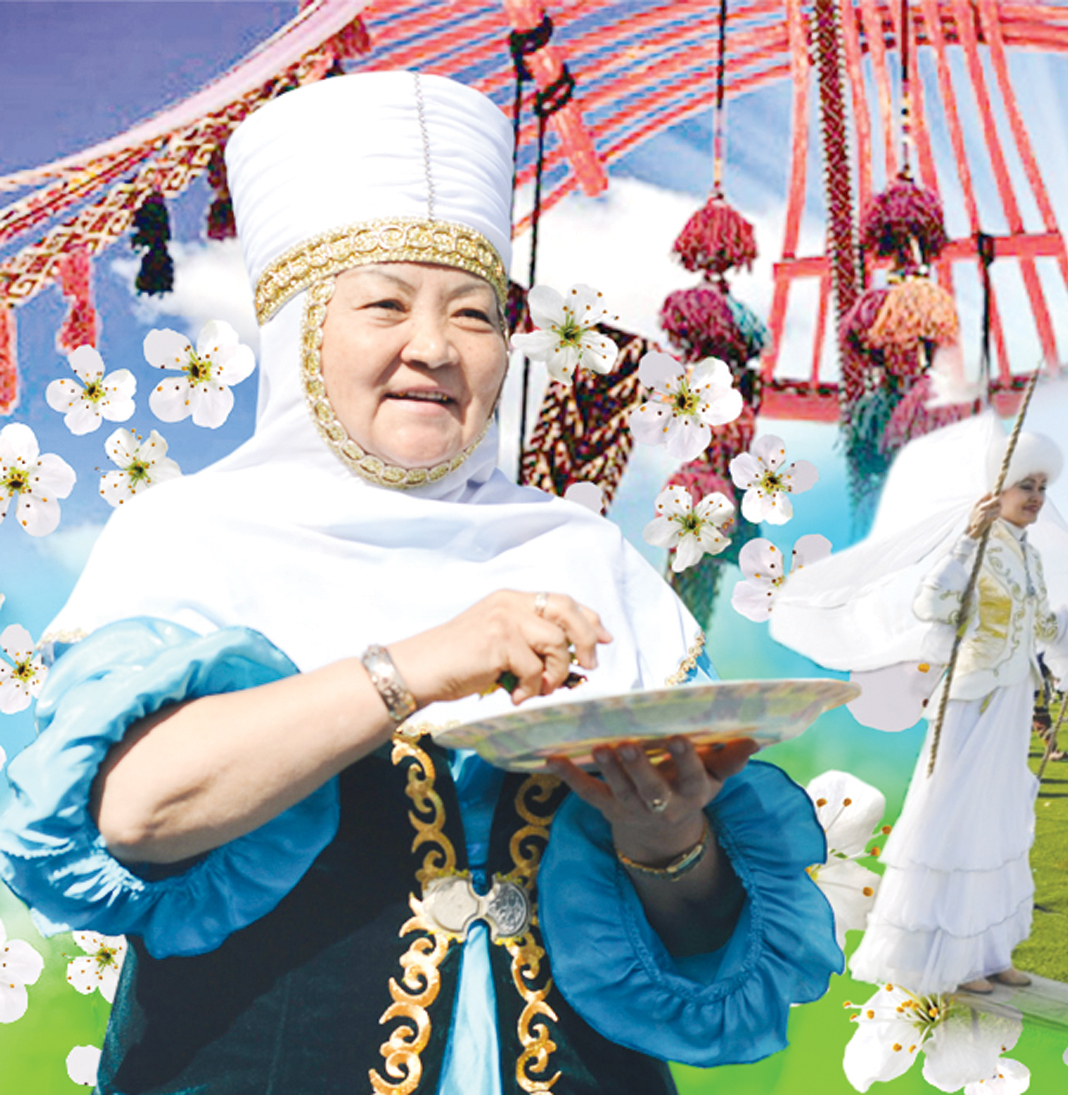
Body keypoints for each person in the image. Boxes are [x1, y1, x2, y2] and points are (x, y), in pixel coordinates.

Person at [0, 74, 841, 1094]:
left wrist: (665, 843)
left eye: (475, 316)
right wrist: (420, 664)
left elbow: (704, 939)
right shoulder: (188, 538)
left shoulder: (586, 558)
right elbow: (132, 812)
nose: (435, 349)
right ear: (299, 331)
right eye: (385, 305)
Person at [772, 420, 1068, 995]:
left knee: (999, 823)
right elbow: (933, 604)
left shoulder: (1028, 560)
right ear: (996, 489)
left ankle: (988, 951)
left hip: (1010, 702)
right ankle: (940, 960)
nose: (1035, 498)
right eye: (1025, 485)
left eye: (1041, 488)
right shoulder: (974, 545)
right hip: (971, 699)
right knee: (953, 822)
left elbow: (1047, 626)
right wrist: (965, 540)